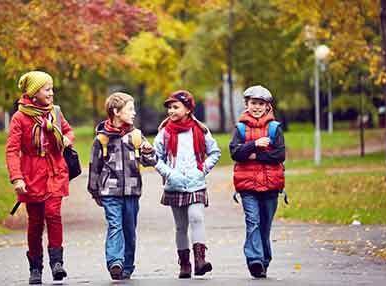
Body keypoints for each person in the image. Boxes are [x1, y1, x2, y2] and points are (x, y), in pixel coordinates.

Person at [6, 71, 74, 284]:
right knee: (35, 222)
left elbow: (69, 132)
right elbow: (12, 150)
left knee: (53, 214)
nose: (52, 93)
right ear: (34, 93)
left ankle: (57, 264)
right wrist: (17, 178)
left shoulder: (55, 112)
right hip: (32, 173)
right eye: (47, 89)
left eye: (52, 89)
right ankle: (35, 267)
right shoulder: (20, 118)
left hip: (55, 170)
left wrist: (67, 139)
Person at [87, 92, 156, 280]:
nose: (134, 113)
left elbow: (150, 161)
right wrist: (95, 191)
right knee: (115, 225)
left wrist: (149, 153)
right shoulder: (102, 139)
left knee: (129, 229)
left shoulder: (135, 136)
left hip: (132, 191)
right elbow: (95, 167)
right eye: (130, 109)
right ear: (116, 111)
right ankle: (115, 262)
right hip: (110, 191)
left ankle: (127, 265)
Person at [153, 90, 221, 279]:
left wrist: (203, 170)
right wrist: (169, 174)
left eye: (175, 107)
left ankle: (200, 260)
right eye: (169, 108)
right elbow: (154, 158)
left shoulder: (200, 130)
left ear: (188, 109)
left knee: (196, 217)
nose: (171, 111)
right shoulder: (164, 133)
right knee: (181, 226)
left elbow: (215, 152)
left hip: (196, 183)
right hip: (174, 184)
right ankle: (184, 264)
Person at [229, 85, 285, 278]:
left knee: (264, 225)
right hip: (247, 186)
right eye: (253, 103)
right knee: (252, 221)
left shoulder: (274, 128)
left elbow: (279, 155)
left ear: (267, 106)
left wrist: (253, 155)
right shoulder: (240, 128)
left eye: (261, 104)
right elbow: (235, 152)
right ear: (247, 105)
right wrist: (254, 144)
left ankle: (264, 260)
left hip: (271, 185)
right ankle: (254, 260)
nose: (257, 107)